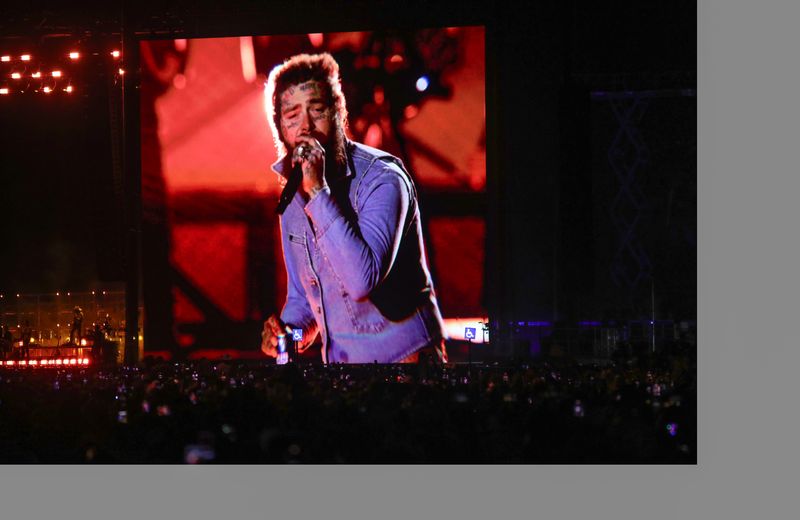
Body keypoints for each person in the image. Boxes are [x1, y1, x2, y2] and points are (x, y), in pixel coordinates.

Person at [260, 53, 447, 364]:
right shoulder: (294, 196)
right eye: (292, 116)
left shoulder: (384, 179)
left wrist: (318, 191)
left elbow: (362, 280)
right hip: (343, 370)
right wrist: (286, 334)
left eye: (317, 110)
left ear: (338, 113)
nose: (306, 126)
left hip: (406, 365)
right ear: (280, 128)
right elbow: (304, 300)